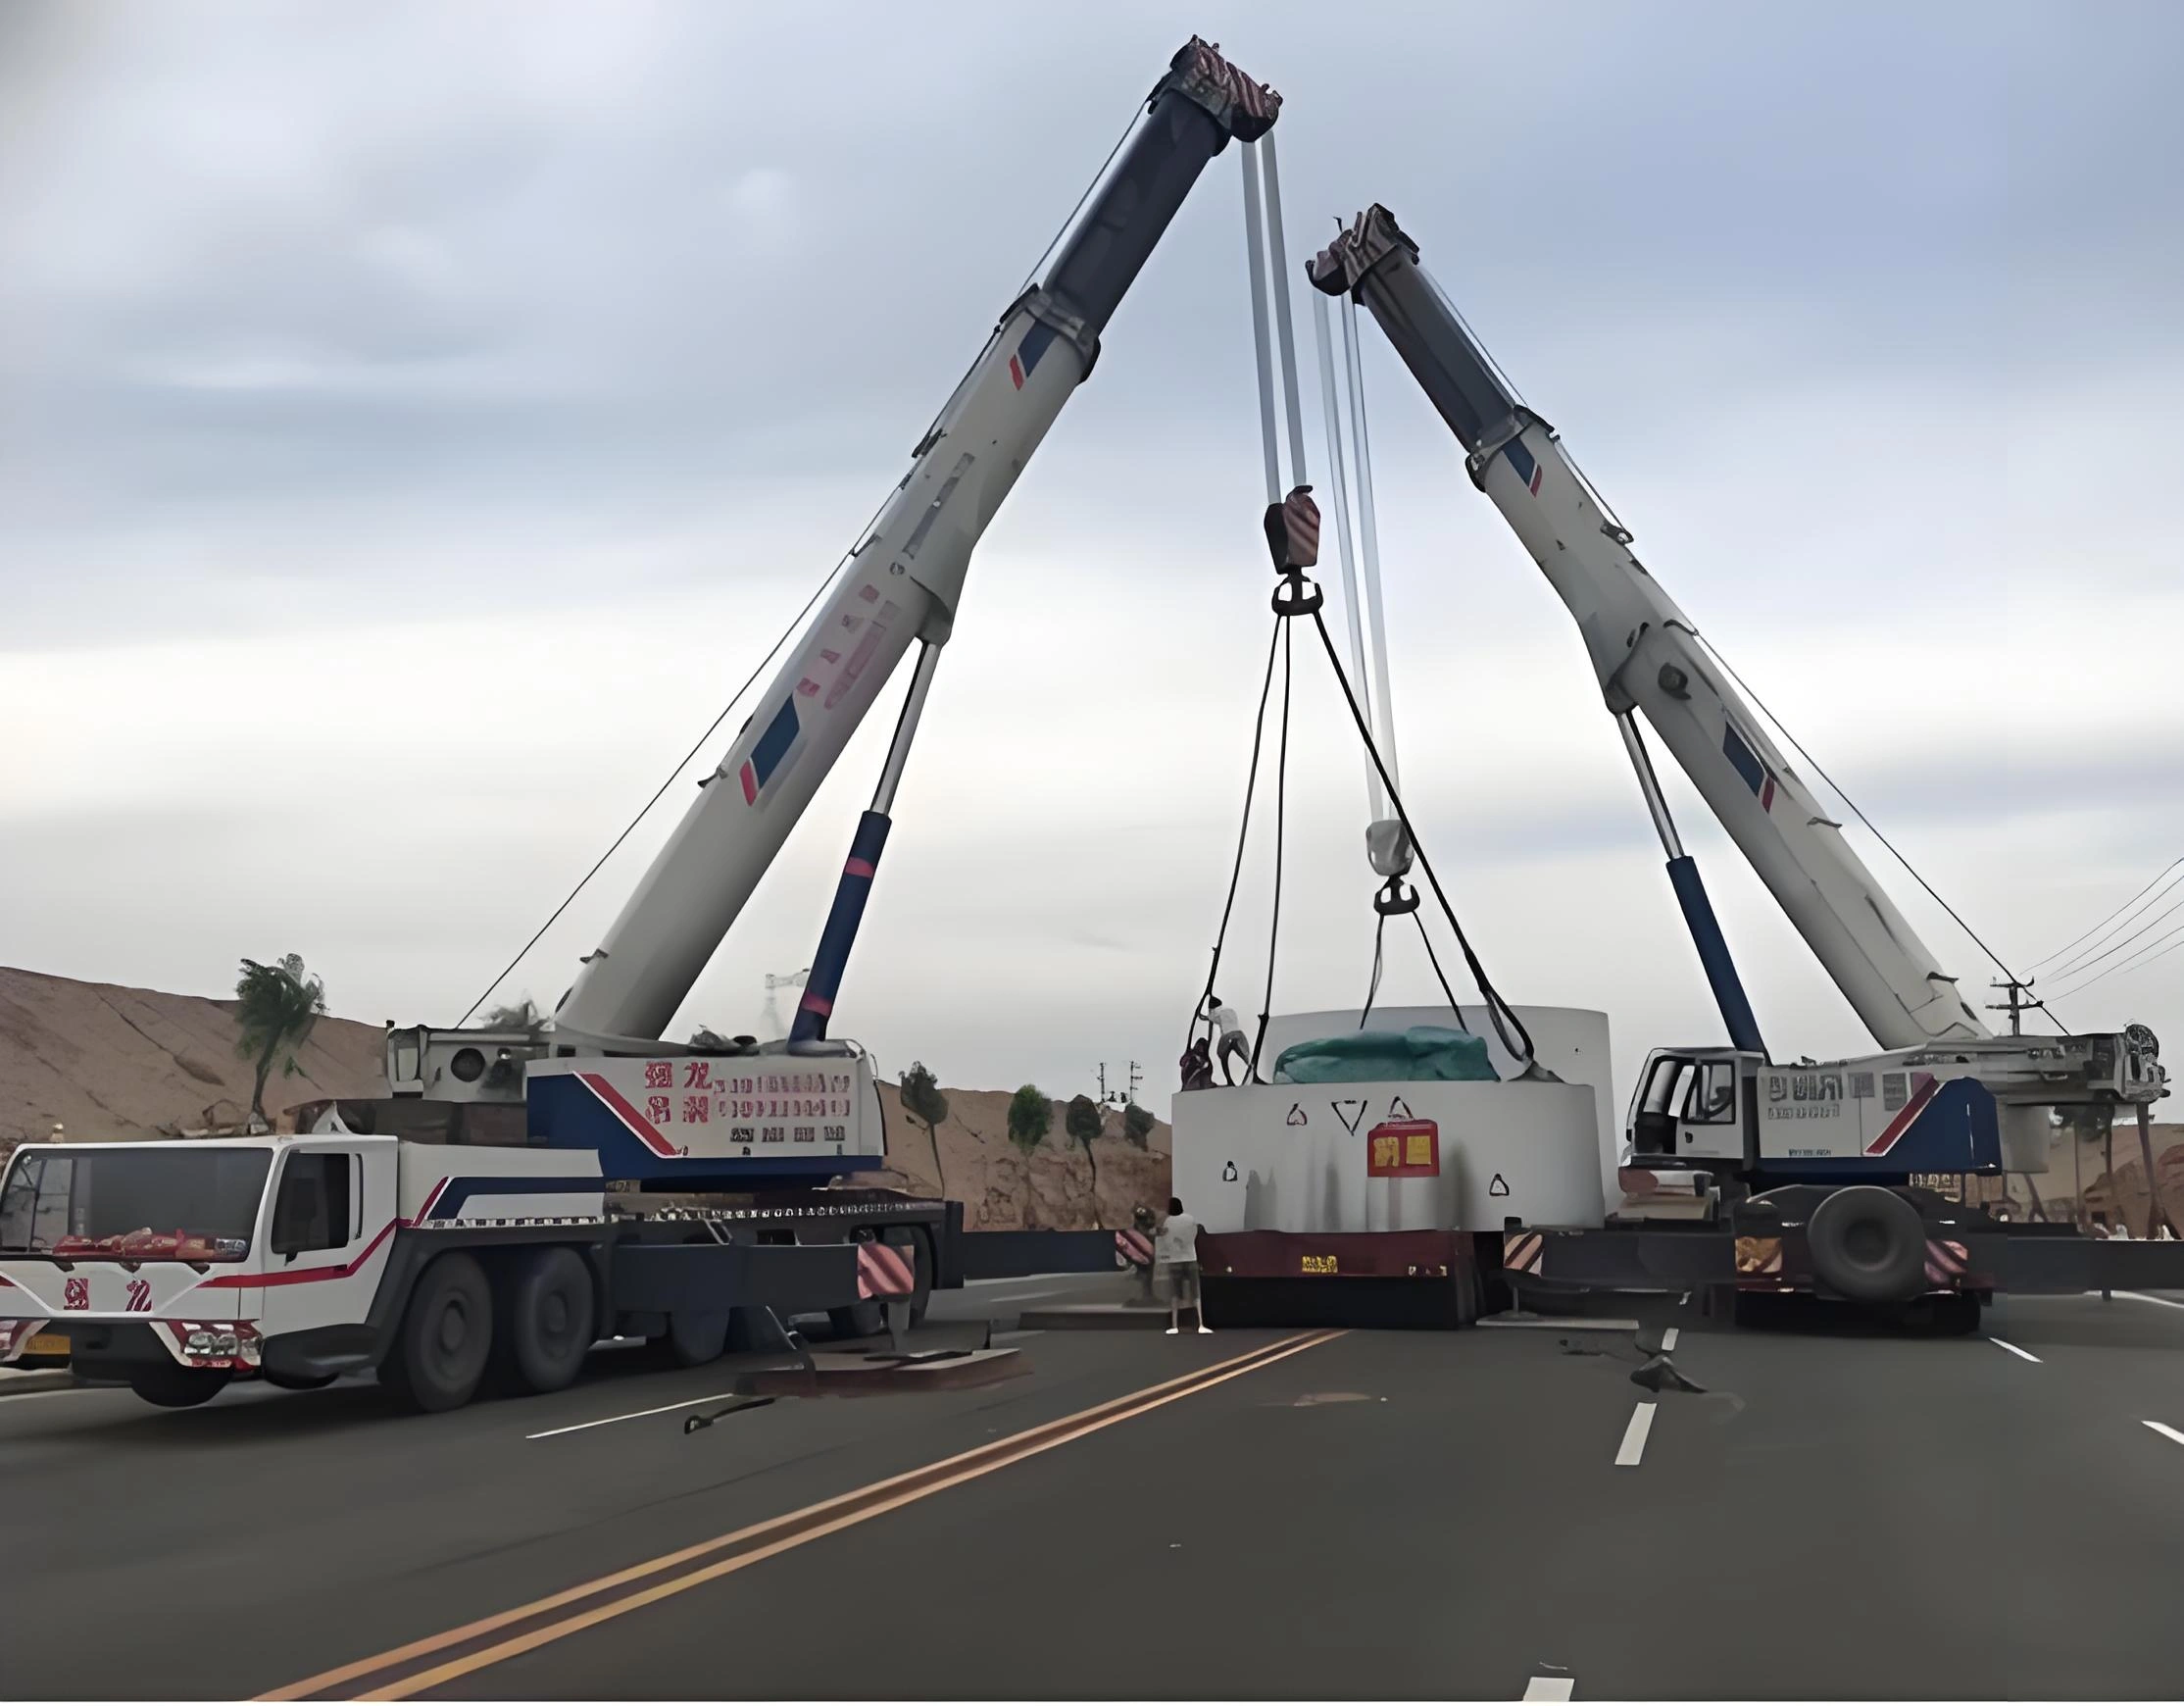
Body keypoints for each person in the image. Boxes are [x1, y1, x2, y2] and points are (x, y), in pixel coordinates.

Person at [1157, 1195, 1210, 1334]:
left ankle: (1175, 1325)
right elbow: (1194, 1235)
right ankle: (1200, 1324)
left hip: (1174, 1260)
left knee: (1175, 1294)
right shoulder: (1189, 1219)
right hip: (1190, 1257)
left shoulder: (1168, 1221)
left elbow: (1166, 1240)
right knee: (1195, 1292)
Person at [1207, 995, 1252, 1087]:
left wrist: (1208, 1012)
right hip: (1238, 1034)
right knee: (1244, 1054)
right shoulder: (1230, 1011)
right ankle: (1251, 1067)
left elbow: (1209, 1018)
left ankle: (1229, 1080)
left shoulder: (1217, 1014)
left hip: (1227, 1036)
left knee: (1223, 1057)